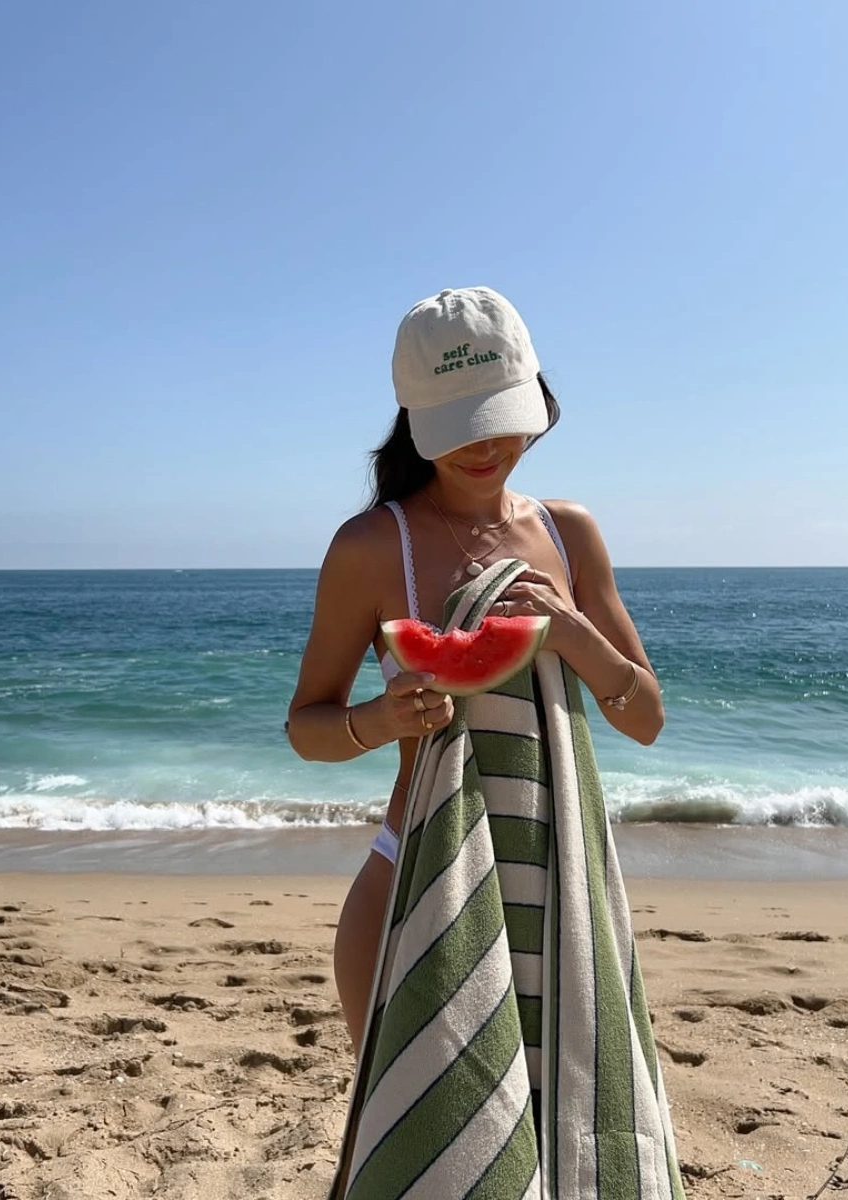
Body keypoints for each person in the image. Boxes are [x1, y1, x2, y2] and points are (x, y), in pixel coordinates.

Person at [287, 285, 665, 1057]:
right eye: (460, 428)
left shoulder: (570, 533)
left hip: (556, 888)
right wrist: (379, 720)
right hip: (415, 880)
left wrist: (573, 634)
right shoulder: (369, 547)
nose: (485, 448)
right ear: (414, 422)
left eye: (500, 419)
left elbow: (646, 718)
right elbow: (306, 727)